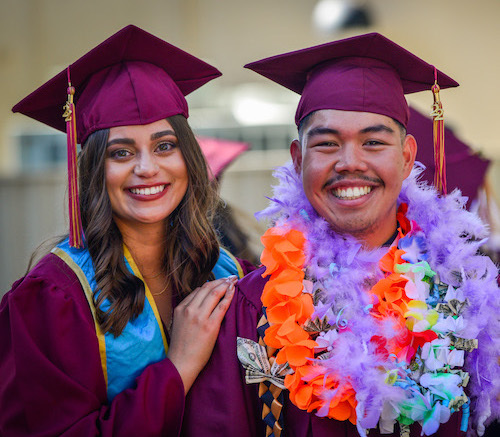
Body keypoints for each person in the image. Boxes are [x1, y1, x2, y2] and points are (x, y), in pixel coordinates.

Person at [182, 33, 500, 437]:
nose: (350, 162)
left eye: (373, 142)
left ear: (406, 159)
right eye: (327, 144)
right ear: (298, 160)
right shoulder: (249, 311)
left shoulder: (471, 299)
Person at [0, 25, 254, 436]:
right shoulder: (53, 298)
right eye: (121, 152)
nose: (147, 168)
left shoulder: (229, 273)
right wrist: (179, 367)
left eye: (164, 146)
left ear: (188, 158)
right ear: (94, 169)